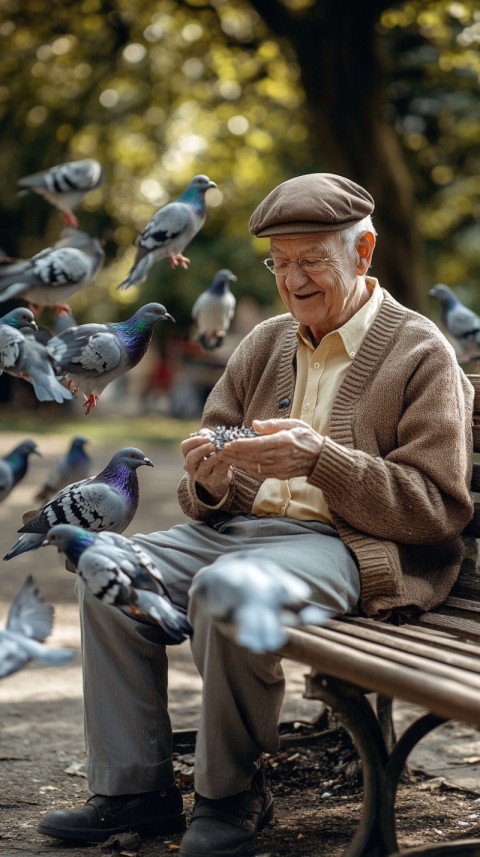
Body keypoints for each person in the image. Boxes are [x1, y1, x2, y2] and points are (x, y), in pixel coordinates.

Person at [38, 174, 474, 857]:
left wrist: (321, 460)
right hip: (240, 533)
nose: (292, 280)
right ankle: (134, 788)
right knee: (107, 562)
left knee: (229, 588)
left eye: (311, 261)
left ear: (362, 253)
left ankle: (231, 792)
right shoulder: (267, 343)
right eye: (280, 263)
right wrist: (210, 481)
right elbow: (202, 487)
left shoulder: (420, 352)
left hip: (344, 546)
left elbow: (438, 509)